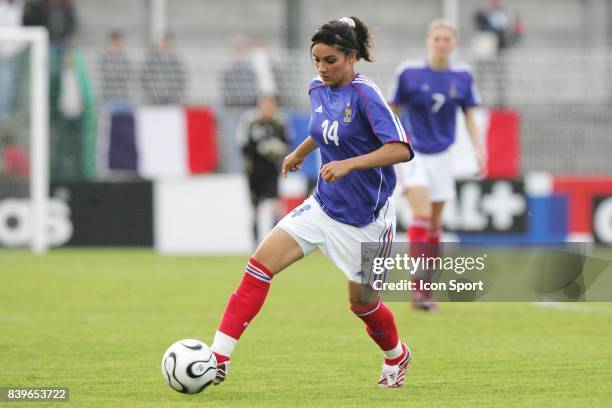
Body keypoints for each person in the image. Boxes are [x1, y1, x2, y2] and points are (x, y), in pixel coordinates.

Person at [210, 16, 414, 388]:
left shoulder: (367, 94)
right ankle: (218, 358)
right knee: (258, 267)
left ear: (351, 57)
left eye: (330, 60)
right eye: (316, 60)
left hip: (367, 222)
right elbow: (321, 129)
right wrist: (301, 152)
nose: (322, 68)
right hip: (321, 207)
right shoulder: (317, 89)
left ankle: (397, 355)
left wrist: (349, 164)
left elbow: (400, 150)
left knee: (363, 305)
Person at [389, 19, 486, 311]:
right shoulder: (409, 73)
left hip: (444, 156)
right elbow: (391, 110)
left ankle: (425, 289)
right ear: (428, 41)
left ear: (454, 43)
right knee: (421, 216)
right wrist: (390, 146)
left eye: (447, 39)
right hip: (413, 153)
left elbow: (469, 116)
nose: (441, 44)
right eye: (437, 39)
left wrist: (479, 152)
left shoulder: (463, 75)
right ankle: (418, 290)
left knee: (434, 224)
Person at [239, 95, 289, 245]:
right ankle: (255, 244)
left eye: (271, 105)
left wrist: (277, 149)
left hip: (272, 170)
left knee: (275, 205)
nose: (268, 108)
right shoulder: (250, 122)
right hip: (254, 171)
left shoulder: (279, 123)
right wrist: (261, 149)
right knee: (255, 208)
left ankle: (274, 243)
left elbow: (287, 143)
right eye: (264, 105)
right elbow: (243, 146)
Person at [140, 33, 186, 105]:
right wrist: (150, 94)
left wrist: (177, 94)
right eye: (163, 41)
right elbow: (145, 78)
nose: (165, 44)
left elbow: (180, 78)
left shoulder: (175, 60)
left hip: (171, 97)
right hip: (155, 97)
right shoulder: (151, 60)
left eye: (167, 42)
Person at [98, 30, 132, 105]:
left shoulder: (124, 56)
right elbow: (105, 71)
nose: (122, 43)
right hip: (108, 92)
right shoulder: (105, 55)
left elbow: (127, 71)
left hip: (122, 93)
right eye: (120, 40)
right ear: (114, 40)